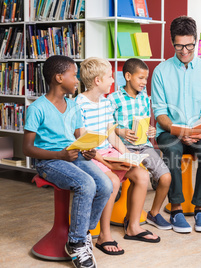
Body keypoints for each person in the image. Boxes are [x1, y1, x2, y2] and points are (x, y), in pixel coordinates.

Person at [23, 55, 113, 268]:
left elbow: (77, 137)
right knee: (86, 184)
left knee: (106, 184)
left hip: (73, 154)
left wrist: (87, 149)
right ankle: (76, 242)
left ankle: (82, 233)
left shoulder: (73, 106)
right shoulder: (37, 108)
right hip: (49, 161)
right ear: (58, 78)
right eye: (74, 75)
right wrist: (60, 155)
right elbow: (27, 148)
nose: (77, 79)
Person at [76, 57, 157, 255]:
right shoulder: (79, 103)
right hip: (90, 155)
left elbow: (111, 134)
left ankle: (133, 227)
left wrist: (128, 155)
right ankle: (104, 235)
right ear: (97, 80)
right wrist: (107, 162)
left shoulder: (105, 103)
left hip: (108, 152)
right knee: (112, 181)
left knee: (142, 175)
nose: (113, 81)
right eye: (110, 77)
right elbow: (83, 142)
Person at [151, 16, 201, 233]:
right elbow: (160, 113)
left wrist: (197, 130)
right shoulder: (161, 71)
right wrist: (180, 132)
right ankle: (177, 209)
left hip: (199, 129)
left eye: (189, 45)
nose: (185, 50)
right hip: (170, 131)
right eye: (179, 45)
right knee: (172, 150)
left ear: (195, 41)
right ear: (172, 42)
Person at [108, 58, 172, 234]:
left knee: (166, 178)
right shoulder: (113, 99)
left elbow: (145, 122)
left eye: (146, 78)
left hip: (143, 146)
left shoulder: (145, 98)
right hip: (121, 148)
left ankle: (153, 213)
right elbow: (107, 127)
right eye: (141, 78)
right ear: (128, 76)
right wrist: (121, 131)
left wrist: (151, 130)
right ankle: (131, 219)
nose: (144, 82)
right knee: (138, 177)